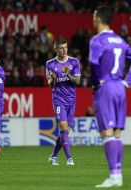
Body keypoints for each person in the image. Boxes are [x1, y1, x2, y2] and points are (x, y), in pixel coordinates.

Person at [89, 6, 131, 188]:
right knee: (117, 133)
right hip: (120, 87)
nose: (92, 18)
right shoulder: (120, 40)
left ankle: (113, 176)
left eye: (94, 16)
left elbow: (93, 62)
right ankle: (118, 174)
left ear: (98, 19)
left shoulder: (97, 40)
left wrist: (98, 80)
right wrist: (127, 82)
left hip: (106, 87)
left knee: (107, 132)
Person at [45, 38, 81, 166]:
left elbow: (77, 81)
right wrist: (53, 79)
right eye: (61, 48)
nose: (64, 50)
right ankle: (69, 159)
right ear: (56, 49)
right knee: (64, 128)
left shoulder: (74, 62)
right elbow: (50, 84)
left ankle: (53, 156)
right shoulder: (49, 64)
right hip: (58, 100)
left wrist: (69, 74)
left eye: (65, 47)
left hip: (71, 100)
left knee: (65, 133)